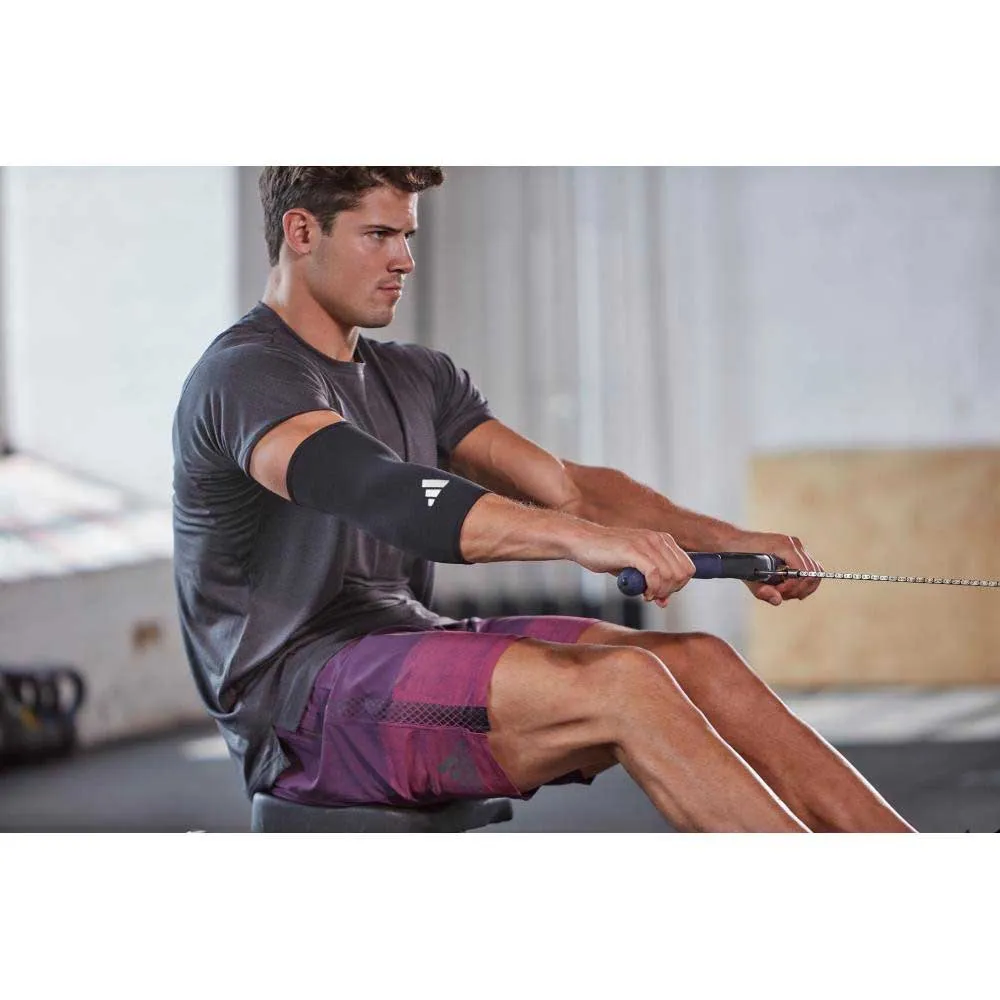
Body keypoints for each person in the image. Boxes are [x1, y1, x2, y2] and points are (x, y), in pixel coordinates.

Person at [172, 166, 915, 832]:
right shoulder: (247, 375)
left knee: (704, 662)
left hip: (403, 639)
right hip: (300, 705)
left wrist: (735, 542)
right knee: (627, 685)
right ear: (302, 232)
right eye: (378, 235)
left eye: (407, 235)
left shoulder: (416, 376)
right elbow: (386, 491)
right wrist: (583, 542)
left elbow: (568, 487)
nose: (405, 259)